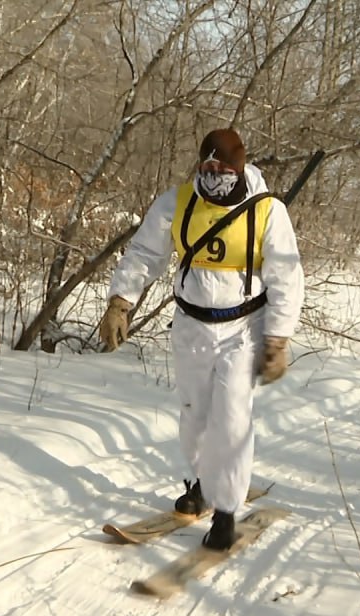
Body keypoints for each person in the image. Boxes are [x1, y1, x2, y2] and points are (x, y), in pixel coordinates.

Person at [97, 128, 305, 551]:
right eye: (207, 167)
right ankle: (198, 484)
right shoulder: (178, 202)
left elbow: (287, 277)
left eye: (224, 168)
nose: (214, 175)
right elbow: (144, 254)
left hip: (244, 328)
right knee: (194, 413)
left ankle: (226, 512)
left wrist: (278, 338)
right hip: (191, 325)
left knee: (230, 419)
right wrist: (121, 302)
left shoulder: (267, 211)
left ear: (240, 166)